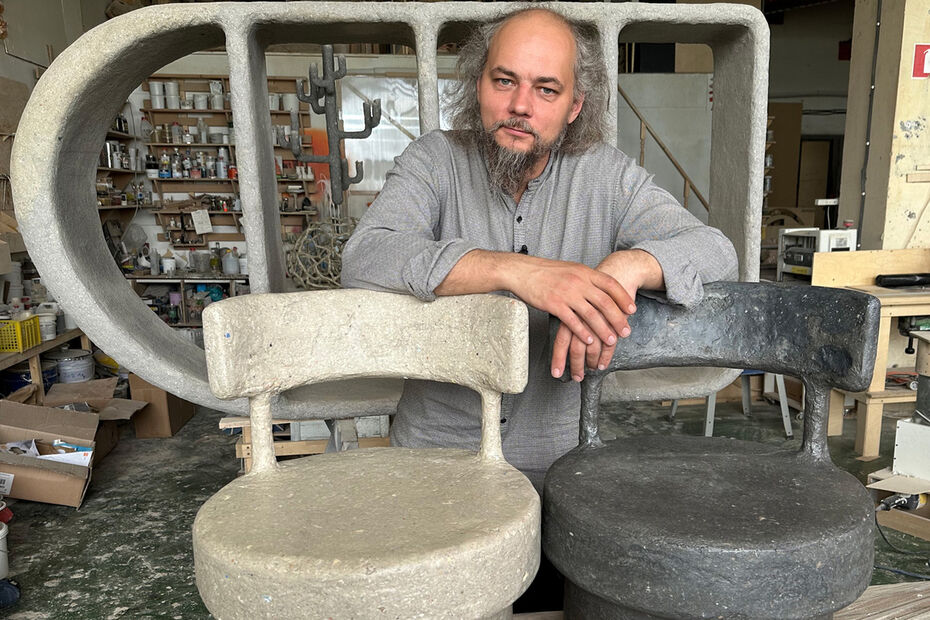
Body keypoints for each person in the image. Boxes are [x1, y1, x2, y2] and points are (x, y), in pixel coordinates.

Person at [342, 8, 738, 491]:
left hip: (560, 458)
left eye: (547, 89)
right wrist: (517, 271)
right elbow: (366, 256)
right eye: (504, 81)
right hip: (435, 453)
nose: (520, 106)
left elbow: (717, 252)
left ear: (574, 106)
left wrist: (625, 268)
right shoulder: (435, 160)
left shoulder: (607, 176)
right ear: (478, 84)